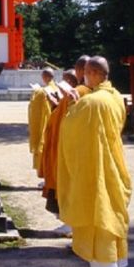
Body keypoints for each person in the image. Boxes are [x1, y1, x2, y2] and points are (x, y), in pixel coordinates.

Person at [58, 56, 131, 267]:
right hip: (113, 161)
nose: (84, 77)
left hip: (96, 165)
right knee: (113, 211)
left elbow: (70, 129)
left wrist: (71, 104)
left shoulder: (91, 102)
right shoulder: (115, 96)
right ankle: (117, 266)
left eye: (87, 73)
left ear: (95, 73)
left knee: (99, 213)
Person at [40, 56, 90, 235]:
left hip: (67, 146)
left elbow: (71, 118)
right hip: (70, 144)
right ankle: (71, 223)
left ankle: (71, 224)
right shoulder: (87, 92)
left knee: (69, 185)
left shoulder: (81, 92)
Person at [28, 66, 59, 181]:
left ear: (45, 77)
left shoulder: (42, 91)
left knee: (44, 151)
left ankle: (47, 177)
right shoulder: (57, 88)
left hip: (45, 124)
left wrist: (35, 92)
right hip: (55, 124)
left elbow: (35, 106)